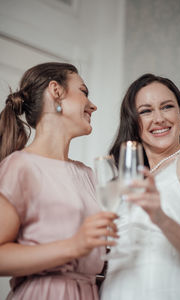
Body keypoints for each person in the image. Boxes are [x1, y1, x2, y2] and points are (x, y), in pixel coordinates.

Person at [0, 62, 118, 300]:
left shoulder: (89, 175)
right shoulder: (20, 166)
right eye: (83, 92)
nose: (93, 106)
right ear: (56, 91)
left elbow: (96, 256)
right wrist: (74, 246)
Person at [100, 73, 180, 300]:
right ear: (134, 123)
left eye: (167, 107)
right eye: (146, 111)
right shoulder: (123, 181)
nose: (159, 118)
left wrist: (160, 217)